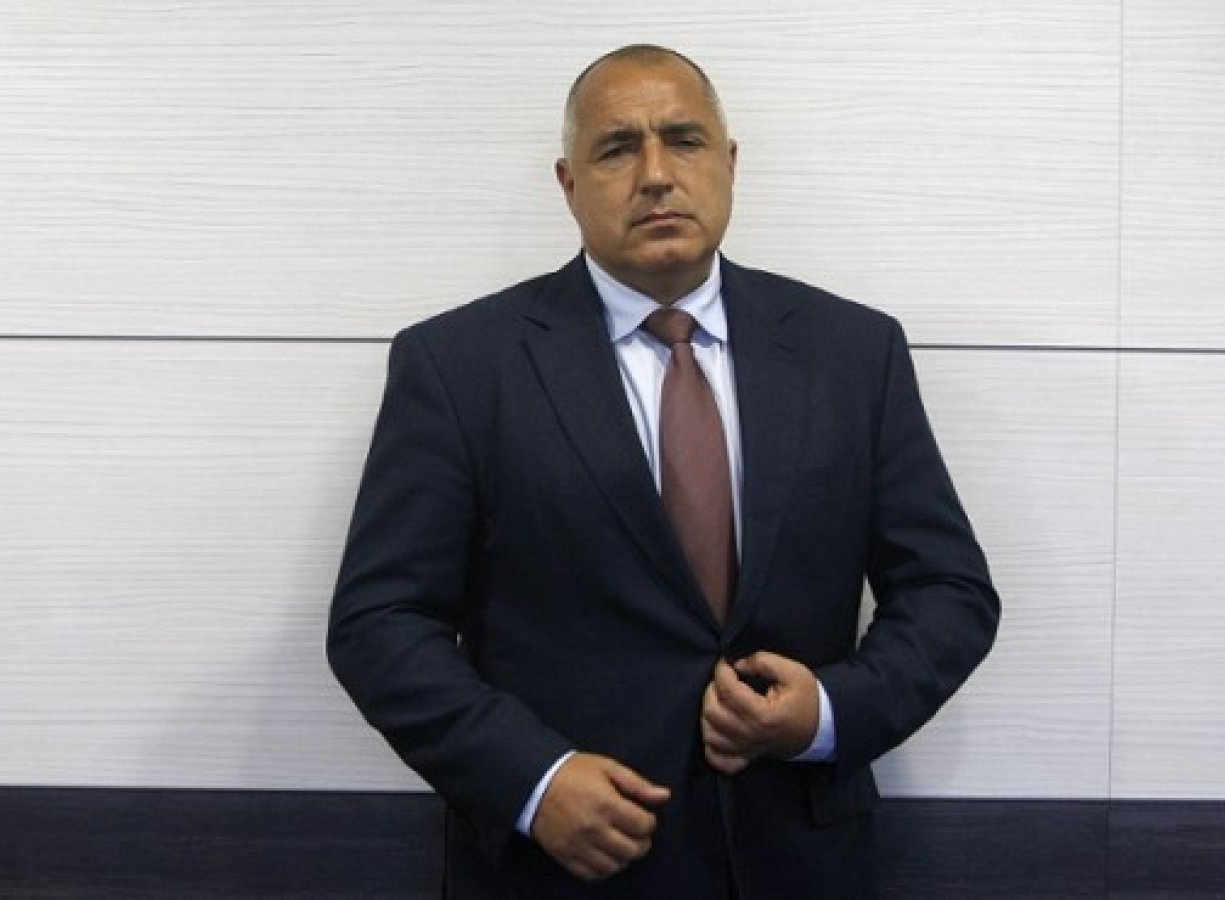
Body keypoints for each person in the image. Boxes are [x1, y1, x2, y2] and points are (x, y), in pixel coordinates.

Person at [326, 44, 999, 898]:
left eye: (683, 140)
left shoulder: (854, 353)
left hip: (802, 859)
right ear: (569, 184)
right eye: (618, 148)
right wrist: (532, 780)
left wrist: (831, 713)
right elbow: (381, 622)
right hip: (562, 872)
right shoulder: (460, 366)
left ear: (730, 163)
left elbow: (948, 590)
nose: (655, 174)